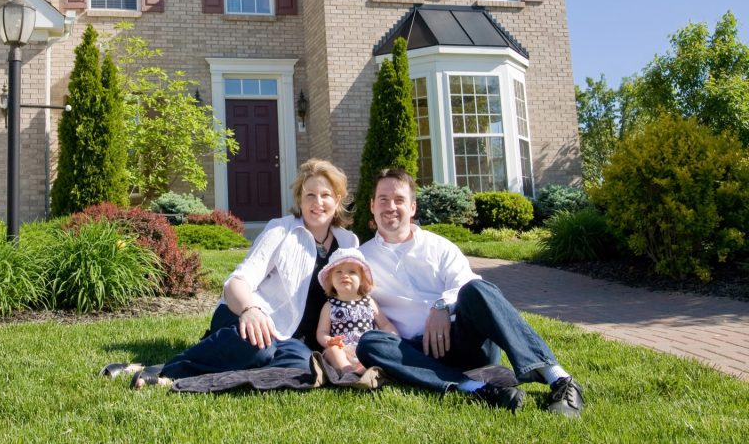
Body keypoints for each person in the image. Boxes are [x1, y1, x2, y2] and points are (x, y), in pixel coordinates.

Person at [101, 158, 359, 389]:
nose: (317, 202)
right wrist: (250, 310)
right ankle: (167, 370)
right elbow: (237, 281)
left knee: (302, 367)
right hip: (249, 317)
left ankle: (214, 366)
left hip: (294, 340)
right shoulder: (281, 231)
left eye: (325, 195)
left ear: (337, 200)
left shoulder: (348, 242)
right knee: (260, 349)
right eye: (309, 195)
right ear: (300, 200)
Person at [356, 168, 585, 417]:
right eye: (383, 199)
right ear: (372, 206)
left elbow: (466, 282)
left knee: (477, 289)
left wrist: (442, 306)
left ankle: (559, 379)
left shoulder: (440, 247)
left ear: (412, 207)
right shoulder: (361, 259)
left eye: (399, 200)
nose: (391, 206)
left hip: (463, 342)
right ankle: (477, 388)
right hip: (414, 353)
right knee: (369, 343)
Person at [315, 247, 397, 375]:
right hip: (342, 350)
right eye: (338, 272)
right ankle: (347, 371)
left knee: (377, 349)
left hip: (365, 349)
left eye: (352, 272)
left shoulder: (368, 302)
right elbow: (322, 331)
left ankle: (364, 370)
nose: (345, 275)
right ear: (330, 280)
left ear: (362, 279)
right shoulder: (330, 305)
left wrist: (394, 338)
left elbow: (385, 324)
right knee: (333, 350)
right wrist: (329, 340)